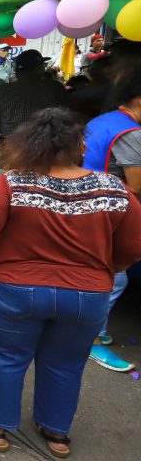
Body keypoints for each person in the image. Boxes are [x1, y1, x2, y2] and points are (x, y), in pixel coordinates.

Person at [0, 107, 141, 458]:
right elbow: (132, 248)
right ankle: (56, 433)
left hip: (16, 290)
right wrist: (100, 271)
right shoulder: (114, 189)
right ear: (81, 146)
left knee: (8, 359)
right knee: (66, 363)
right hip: (87, 296)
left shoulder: (12, 182)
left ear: (29, 144)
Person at [81, 67, 141, 372]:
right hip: (110, 211)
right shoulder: (131, 133)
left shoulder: (102, 120)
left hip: (89, 203)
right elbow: (137, 185)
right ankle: (89, 339)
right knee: (113, 278)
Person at [0, 50, 69, 138]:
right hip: (45, 142)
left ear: (17, 71)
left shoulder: (2, 90)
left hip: (11, 143)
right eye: (43, 65)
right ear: (39, 68)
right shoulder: (55, 88)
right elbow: (67, 115)